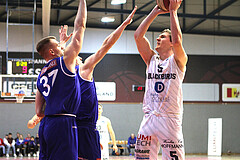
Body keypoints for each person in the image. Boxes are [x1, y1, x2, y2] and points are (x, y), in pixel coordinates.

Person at [74, 6, 137, 160]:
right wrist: (123, 25)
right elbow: (106, 45)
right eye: (78, 56)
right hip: (83, 128)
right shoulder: (81, 69)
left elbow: (106, 43)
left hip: (73, 128)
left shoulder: (67, 74)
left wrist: (122, 26)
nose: (80, 58)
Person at [134, 0, 188, 159]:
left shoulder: (178, 61)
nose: (158, 39)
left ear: (171, 44)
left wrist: (173, 11)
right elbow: (138, 36)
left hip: (169, 120)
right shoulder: (151, 59)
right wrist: (155, 12)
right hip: (149, 118)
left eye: (162, 37)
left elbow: (178, 40)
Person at [35, 0, 86, 159]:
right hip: (64, 123)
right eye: (59, 45)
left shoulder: (41, 75)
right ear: (52, 51)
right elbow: (80, 26)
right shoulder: (65, 62)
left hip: (46, 126)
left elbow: (38, 112)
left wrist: (60, 44)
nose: (62, 46)